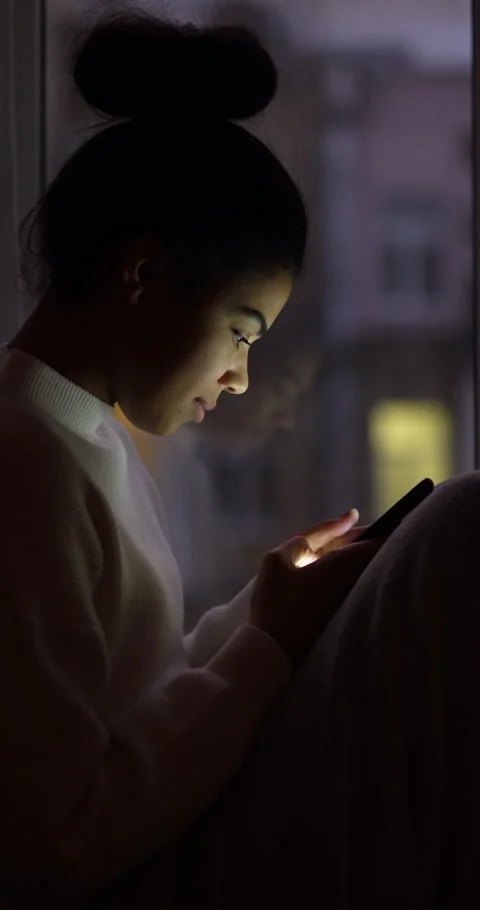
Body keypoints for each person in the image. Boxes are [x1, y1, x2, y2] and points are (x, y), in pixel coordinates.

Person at [0, 12, 382, 909]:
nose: (243, 378)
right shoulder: (26, 465)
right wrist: (265, 648)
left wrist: (264, 605)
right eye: (241, 333)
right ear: (143, 276)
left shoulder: (82, 440)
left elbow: (142, 696)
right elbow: (54, 843)